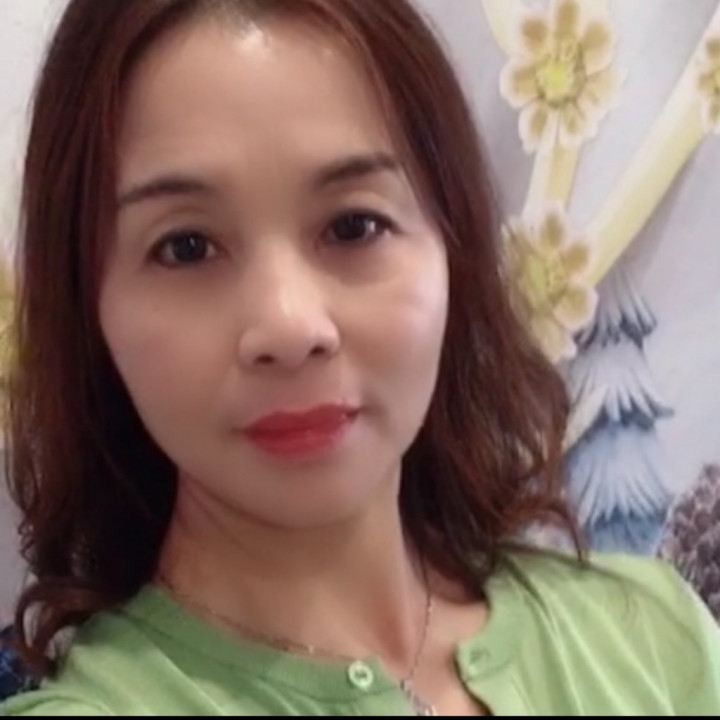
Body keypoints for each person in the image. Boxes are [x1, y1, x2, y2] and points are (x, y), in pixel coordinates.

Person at [1, 0, 719, 715]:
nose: (289, 326)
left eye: (353, 226)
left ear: (451, 251)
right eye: (186, 247)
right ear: (91, 307)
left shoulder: (653, 638)